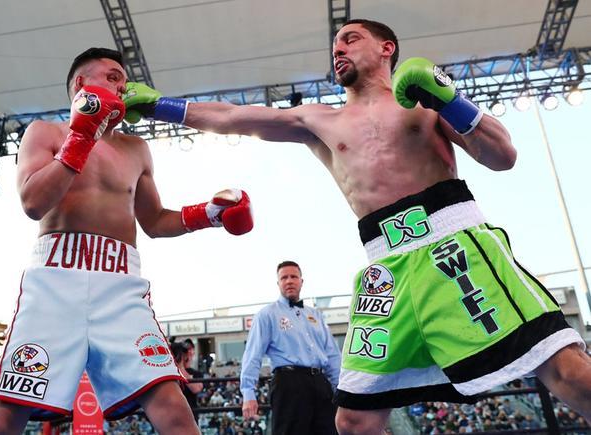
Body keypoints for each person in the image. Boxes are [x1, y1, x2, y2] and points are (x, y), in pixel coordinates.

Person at [123, 18, 591, 434]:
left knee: (565, 371)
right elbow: (233, 117)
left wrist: (450, 98)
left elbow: (503, 156)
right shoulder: (319, 120)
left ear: (387, 48)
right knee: (354, 420)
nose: (338, 50)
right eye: (334, 46)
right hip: (384, 267)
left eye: (351, 39)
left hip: (452, 242)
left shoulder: (425, 101)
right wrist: (160, 106)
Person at [0, 47, 253, 434]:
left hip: (121, 287)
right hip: (56, 280)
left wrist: (210, 213)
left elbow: (154, 221)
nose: (122, 86)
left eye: (123, 79)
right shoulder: (45, 132)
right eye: (111, 77)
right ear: (80, 83)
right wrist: (81, 136)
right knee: (9, 410)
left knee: (172, 405)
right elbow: (34, 203)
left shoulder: (136, 149)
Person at [239, 260, 341, 435]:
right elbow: (252, 355)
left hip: (321, 383)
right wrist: (248, 393)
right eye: (284, 277)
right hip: (288, 383)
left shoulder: (315, 315)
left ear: (302, 281)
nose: (289, 281)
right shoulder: (267, 314)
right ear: (278, 283)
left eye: (293, 276)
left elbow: (332, 355)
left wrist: (340, 389)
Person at [170, 339, 204, 421]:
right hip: (172, 413)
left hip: (190, 414)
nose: (188, 354)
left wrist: (180, 367)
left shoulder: (196, 373)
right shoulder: (170, 372)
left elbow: (196, 389)